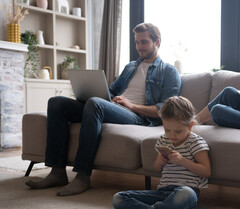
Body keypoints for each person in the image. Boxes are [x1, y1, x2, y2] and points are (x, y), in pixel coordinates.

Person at [25, 23, 181, 196]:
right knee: (57, 103)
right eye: (137, 42)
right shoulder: (130, 67)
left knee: (95, 104)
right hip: (115, 108)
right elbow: (111, 92)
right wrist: (90, 93)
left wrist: (131, 105)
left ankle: (83, 176)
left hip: (139, 116)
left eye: (143, 42)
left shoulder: (168, 71)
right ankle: (57, 172)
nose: (139, 47)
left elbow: (166, 110)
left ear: (157, 42)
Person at [113, 96, 211, 209]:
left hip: (185, 193)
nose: (172, 135)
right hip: (162, 192)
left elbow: (206, 172)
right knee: (118, 198)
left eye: (178, 131)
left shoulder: (196, 142)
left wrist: (183, 161)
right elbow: (158, 169)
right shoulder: (164, 140)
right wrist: (159, 162)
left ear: (190, 125)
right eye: (167, 130)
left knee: (186, 193)